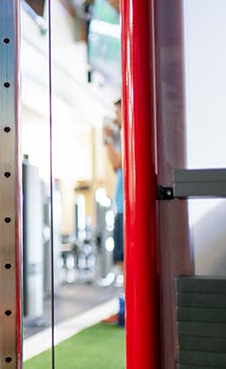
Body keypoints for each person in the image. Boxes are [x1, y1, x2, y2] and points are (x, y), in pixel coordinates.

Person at [102, 98, 125, 326]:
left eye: (118, 112)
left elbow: (116, 163)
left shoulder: (129, 135)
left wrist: (108, 137)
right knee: (121, 261)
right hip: (123, 207)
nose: (115, 117)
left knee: (124, 262)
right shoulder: (126, 136)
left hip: (127, 210)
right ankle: (124, 309)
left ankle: (126, 312)